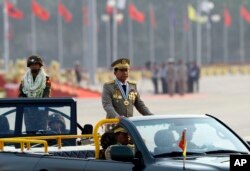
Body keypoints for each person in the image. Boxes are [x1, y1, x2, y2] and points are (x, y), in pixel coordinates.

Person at [18, 55, 51, 132]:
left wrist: (42, 105)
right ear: (29, 66)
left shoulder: (45, 79)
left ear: (40, 65)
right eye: (32, 64)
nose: (34, 66)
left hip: (41, 111)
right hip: (28, 111)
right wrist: (23, 104)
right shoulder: (24, 79)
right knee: (29, 132)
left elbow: (46, 94)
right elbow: (21, 94)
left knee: (41, 132)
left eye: (36, 64)